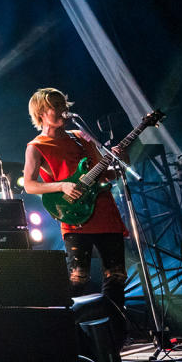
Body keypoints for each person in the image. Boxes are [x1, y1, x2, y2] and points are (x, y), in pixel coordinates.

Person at [22, 88, 128, 340]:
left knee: (116, 277)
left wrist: (120, 160)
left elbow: (106, 175)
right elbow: (29, 184)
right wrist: (61, 185)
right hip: (75, 216)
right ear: (40, 113)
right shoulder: (36, 146)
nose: (61, 109)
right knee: (78, 278)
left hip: (105, 212)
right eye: (54, 106)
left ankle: (114, 339)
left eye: (62, 104)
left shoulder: (81, 137)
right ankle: (65, 336)